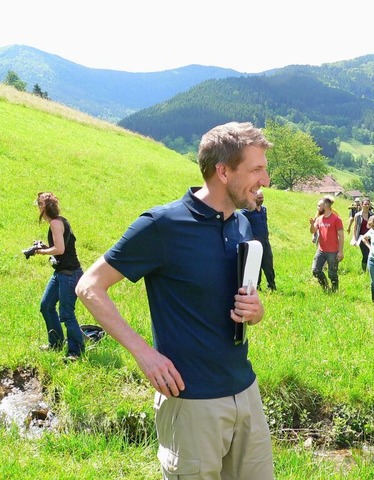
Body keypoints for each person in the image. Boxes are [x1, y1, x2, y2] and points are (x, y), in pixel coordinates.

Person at [76, 122, 275, 480]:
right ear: (223, 170)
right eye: (257, 169)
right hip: (191, 402)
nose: (266, 180)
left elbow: (234, 302)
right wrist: (145, 354)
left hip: (245, 391)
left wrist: (255, 311)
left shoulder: (242, 224)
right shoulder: (162, 225)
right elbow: (89, 286)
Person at [32, 192, 85, 362]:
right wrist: (45, 247)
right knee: (46, 305)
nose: (37, 207)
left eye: (38, 204)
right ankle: (56, 343)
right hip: (61, 273)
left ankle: (75, 352)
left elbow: (60, 249)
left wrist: (41, 251)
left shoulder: (55, 223)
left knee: (67, 314)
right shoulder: (60, 221)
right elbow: (60, 248)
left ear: (43, 208)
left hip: (69, 275)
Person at [241, 188, 276, 291]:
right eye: (259, 198)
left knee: (268, 265)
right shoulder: (247, 211)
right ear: (254, 198)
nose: (261, 199)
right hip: (255, 242)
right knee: (256, 266)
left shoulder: (264, 210)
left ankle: (272, 286)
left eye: (262, 198)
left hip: (265, 241)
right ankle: (256, 286)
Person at [309, 196, 344, 292]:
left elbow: (341, 236)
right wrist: (312, 225)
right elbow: (312, 231)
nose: (317, 207)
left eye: (319, 205)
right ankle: (325, 287)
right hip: (321, 250)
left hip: (333, 252)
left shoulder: (336, 219)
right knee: (315, 270)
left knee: (332, 274)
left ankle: (334, 291)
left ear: (325, 206)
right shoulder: (319, 219)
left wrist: (340, 252)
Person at [351, 197, 374, 272]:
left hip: (371, 237)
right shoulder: (357, 215)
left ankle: (370, 269)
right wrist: (354, 238)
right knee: (365, 254)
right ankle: (364, 270)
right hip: (362, 238)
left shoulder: (373, 215)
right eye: (365, 204)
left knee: (372, 254)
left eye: (368, 204)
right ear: (361, 205)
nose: (367, 206)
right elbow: (355, 228)